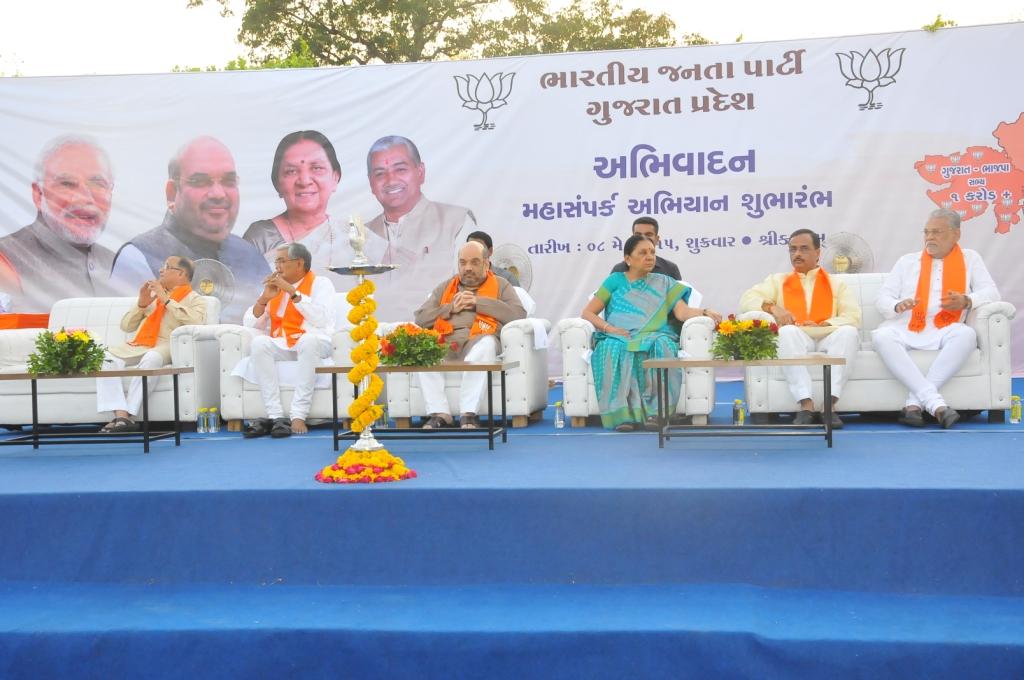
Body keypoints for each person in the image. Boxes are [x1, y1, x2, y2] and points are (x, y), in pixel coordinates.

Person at [111, 136, 270, 324]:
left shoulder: (250, 256)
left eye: (229, 181)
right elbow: (130, 328)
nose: (218, 194)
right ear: (172, 193)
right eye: (200, 181)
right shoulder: (138, 256)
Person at [872, 208, 999, 429]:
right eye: (927, 232)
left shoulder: (970, 258)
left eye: (937, 232)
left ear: (956, 234)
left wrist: (967, 300)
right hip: (908, 325)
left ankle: (914, 403)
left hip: (945, 326)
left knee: (967, 334)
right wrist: (897, 305)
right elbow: (883, 298)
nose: (930, 238)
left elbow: (991, 293)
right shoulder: (907, 262)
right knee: (882, 336)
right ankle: (935, 404)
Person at [582, 234, 721, 432]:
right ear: (628, 259)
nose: (650, 257)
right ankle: (624, 417)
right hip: (619, 334)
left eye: (652, 252)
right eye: (643, 253)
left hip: (655, 334)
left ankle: (658, 413)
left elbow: (682, 312)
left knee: (662, 344)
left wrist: (705, 311)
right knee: (612, 346)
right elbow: (587, 312)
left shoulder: (665, 282)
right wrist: (609, 329)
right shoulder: (614, 281)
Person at [739, 228, 861, 427]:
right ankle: (806, 404)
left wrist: (825, 323)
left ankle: (829, 405)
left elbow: (853, 316)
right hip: (797, 336)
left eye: (804, 249)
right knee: (786, 331)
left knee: (849, 332)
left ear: (818, 252)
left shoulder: (836, 284)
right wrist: (773, 307)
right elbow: (747, 299)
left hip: (827, 335)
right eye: (793, 249)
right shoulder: (778, 280)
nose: (797, 254)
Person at [243, 130, 386, 285]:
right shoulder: (260, 237)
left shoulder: (356, 237)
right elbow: (242, 297)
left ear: (335, 178)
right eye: (291, 171)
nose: (304, 181)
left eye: (316, 168)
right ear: (277, 183)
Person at [0, 134, 125, 312]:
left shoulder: (119, 265)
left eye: (98, 183)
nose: (84, 197)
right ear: (38, 194)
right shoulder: (5, 261)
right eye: (66, 184)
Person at [413, 240, 526, 429]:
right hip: (446, 342)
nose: (468, 268)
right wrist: (449, 308)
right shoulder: (446, 287)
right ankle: (440, 413)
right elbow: (421, 318)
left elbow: (518, 315)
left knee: (487, 345)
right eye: (463, 262)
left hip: (479, 339)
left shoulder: (501, 285)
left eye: (474, 262)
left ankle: (469, 413)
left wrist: (477, 302)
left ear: (486, 264)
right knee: (424, 348)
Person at [365, 135, 477, 319]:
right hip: (371, 340)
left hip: (439, 337)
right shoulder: (361, 236)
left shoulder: (456, 221)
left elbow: (473, 289)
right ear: (371, 183)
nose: (391, 180)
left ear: (420, 172)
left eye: (400, 169)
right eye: (380, 173)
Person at [96, 255, 206, 432]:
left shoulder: (195, 299)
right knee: (105, 358)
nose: (161, 270)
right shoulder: (153, 297)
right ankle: (121, 415)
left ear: (181, 274)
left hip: (167, 345)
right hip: (141, 344)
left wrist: (167, 300)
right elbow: (126, 326)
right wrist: (141, 304)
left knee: (152, 358)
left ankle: (128, 416)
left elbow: (196, 322)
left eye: (167, 266)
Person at [240, 243, 336, 439]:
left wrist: (293, 292)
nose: (277, 266)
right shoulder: (275, 287)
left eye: (282, 261)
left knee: (308, 341)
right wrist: (264, 298)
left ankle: (299, 414)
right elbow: (250, 322)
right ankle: (275, 415)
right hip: (284, 342)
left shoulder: (321, 283)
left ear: (299, 263)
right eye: (276, 261)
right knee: (259, 343)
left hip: (316, 341)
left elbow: (321, 319)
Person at [609, 216, 681, 280]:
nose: (643, 238)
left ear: (657, 239)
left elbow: (681, 295)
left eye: (648, 234)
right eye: (638, 235)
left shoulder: (670, 269)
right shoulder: (619, 270)